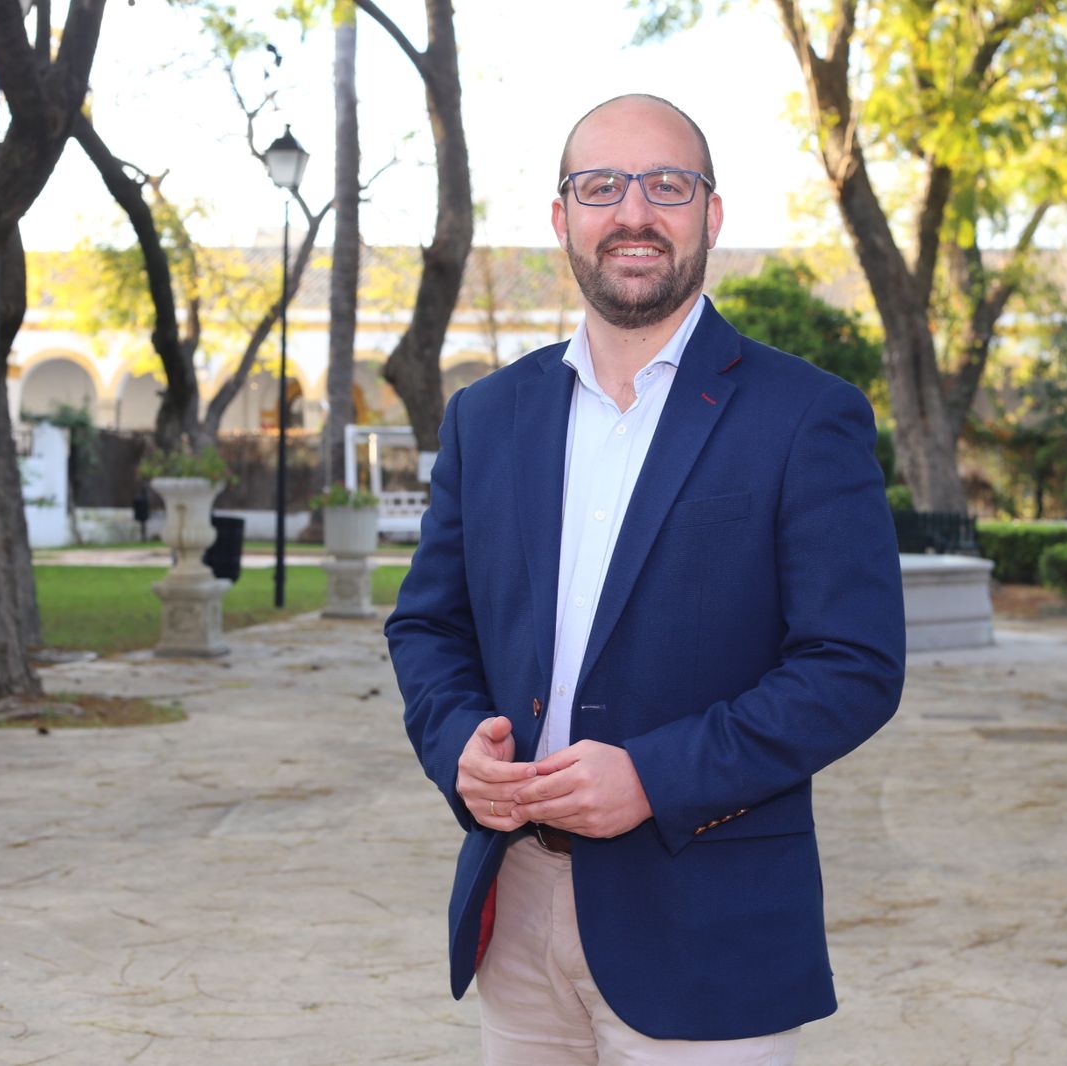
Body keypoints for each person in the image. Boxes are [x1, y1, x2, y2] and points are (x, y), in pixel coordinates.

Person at [387, 93, 906, 1064]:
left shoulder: (807, 415)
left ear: (711, 214)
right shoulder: (486, 417)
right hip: (517, 914)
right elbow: (427, 625)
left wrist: (652, 776)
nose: (633, 212)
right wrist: (459, 742)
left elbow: (853, 664)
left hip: (707, 929)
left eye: (666, 185)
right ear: (561, 219)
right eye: (600, 186)